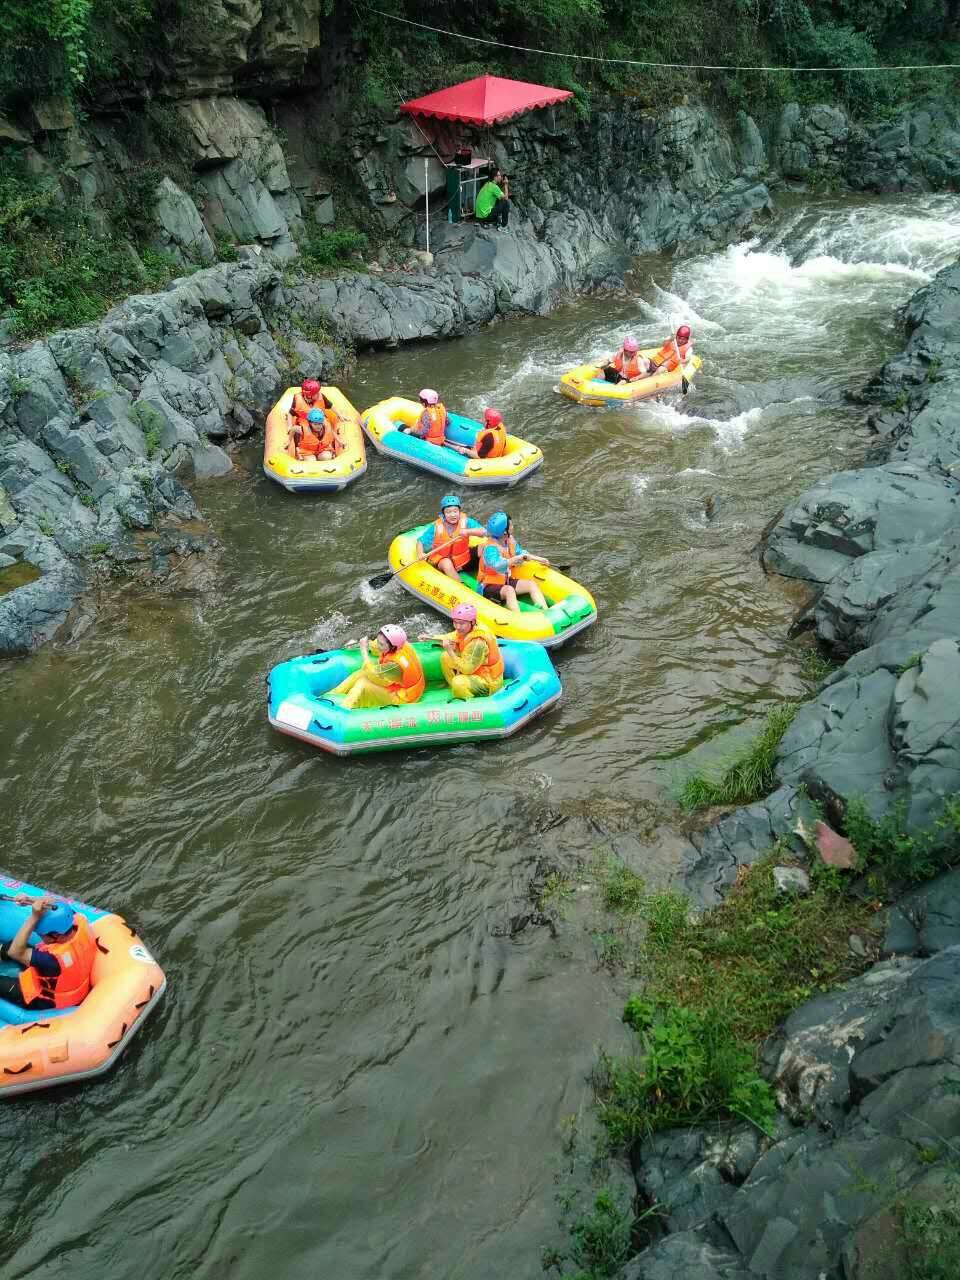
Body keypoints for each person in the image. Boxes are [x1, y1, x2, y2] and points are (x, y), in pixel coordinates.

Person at [0, 894, 96, 1011]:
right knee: (12, 944)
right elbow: (56, 906)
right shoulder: (78, 921)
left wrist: (34, 917)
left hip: (46, 999)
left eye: (41, 935)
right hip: (72, 980)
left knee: (13, 949)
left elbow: (14, 952)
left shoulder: (52, 960)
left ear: (55, 936)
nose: (40, 936)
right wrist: (30, 900)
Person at [419, 603, 504, 700]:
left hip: (488, 680)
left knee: (458, 682)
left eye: (462, 623)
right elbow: (451, 637)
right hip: (477, 668)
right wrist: (430, 637)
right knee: (445, 657)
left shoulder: (478, 643)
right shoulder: (467, 629)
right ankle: (455, 688)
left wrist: (450, 651)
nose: (458, 627)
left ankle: (468, 702)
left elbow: (467, 669)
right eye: (455, 622)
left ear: (472, 622)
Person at [329, 626, 426, 710]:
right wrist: (359, 644)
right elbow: (376, 646)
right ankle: (331, 695)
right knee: (361, 673)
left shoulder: (394, 665)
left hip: (405, 697)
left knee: (363, 683)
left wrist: (364, 652)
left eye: (381, 644)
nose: (378, 645)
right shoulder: (400, 644)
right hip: (403, 685)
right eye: (378, 640)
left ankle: (342, 710)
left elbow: (373, 674)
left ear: (392, 647)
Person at [476, 511, 549, 611]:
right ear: (504, 531)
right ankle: (518, 619)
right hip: (487, 586)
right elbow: (497, 565)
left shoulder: (509, 540)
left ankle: (545, 611)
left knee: (531, 584)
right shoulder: (490, 549)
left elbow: (520, 553)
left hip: (506, 581)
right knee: (509, 591)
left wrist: (539, 559)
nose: (512, 526)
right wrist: (513, 560)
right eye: (510, 525)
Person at [416, 495, 486, 582]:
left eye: (455, 511)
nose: (453, 515)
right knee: (446, 563)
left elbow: (483, 532)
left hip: (465, 560)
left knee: (485, 547)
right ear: (443, 514)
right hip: (444, 562)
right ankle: (461, 586)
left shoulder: (466, 521)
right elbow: (420, 541)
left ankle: (488, 575)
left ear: (459, 511)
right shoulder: (436, 527)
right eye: (448, 512)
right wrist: (420, 553)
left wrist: (468, 531)